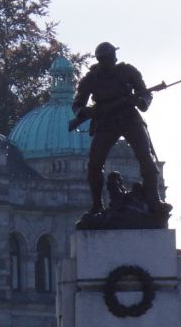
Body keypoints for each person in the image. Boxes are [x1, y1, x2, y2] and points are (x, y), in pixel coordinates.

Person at [72, 42, 167, 217]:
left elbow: (145, 92)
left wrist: (142, 102)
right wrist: (82, 112)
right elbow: (77, 104)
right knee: (94, 164)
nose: (113, 60)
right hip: (106, 122)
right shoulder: (91, 79)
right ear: (102, 60)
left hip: (129, 118)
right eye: (108, 58)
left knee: (145, 157)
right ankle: (97, 205)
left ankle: (154, 200)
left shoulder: (128, 71)